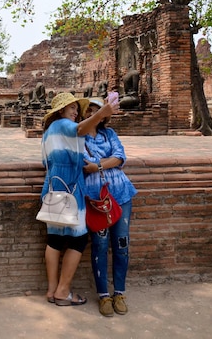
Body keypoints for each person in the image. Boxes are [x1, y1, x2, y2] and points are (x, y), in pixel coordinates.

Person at [40, 92, 118, 306]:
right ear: (61, 111)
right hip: (70, 187)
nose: (76, 112)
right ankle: (63, 291)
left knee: (55, 239)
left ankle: (51, 289)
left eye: (76, 108)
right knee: (79, 238)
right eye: (72, 108)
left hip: (53, 187)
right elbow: (80, 129)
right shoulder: (63, 125)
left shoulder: (48, 132)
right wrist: (102, 113)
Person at [82, 97, 138, 317]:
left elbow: (120, 157)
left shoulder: (110, 134)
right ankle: (104, 295)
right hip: (97, 199)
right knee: (100, 244)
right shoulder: (79, 138)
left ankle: (120, 292)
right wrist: (103, 164)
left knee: (122, 244)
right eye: (88, 111)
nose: (92, 115)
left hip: (121, 194)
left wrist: (98, 165)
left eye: (97, 111)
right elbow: (86, 165)